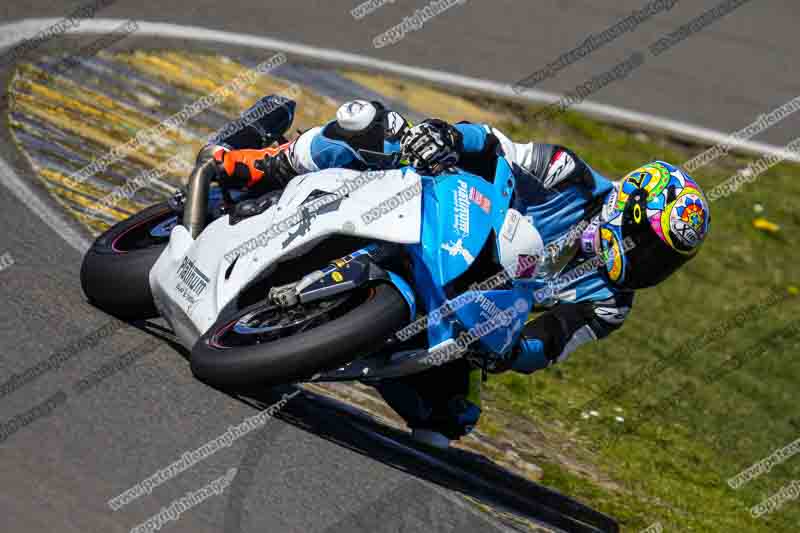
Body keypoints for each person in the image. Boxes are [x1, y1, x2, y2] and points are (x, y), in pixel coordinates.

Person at [203, 96, 711, 448]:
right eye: (649, 246)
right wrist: (446, 137)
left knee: (448, 421)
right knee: (373, 126)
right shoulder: (567, 174)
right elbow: (494, 145)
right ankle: (261, 161)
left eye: (664, 261)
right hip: (439, 209)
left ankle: (318, 336)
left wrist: (512, 352)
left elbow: (552, 341)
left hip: (468, 309)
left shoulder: (611, 302)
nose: (648, 264)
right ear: (627, 207)